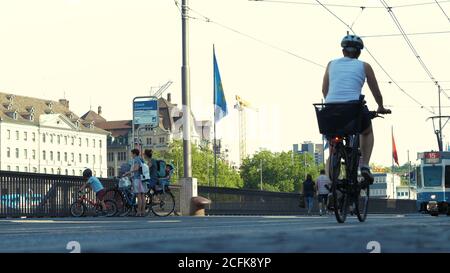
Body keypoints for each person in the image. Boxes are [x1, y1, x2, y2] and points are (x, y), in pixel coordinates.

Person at [321, 34, 391, 185]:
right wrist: (380, 106)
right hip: (353, 110)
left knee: (333, 145)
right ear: (359, 52)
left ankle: (331, 182)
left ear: (343, 51)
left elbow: (324, 90)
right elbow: (376, 92)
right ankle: (364, 165)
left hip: (330, 111)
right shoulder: (364, 66)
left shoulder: (330, 64)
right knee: (366, 132)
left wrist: (332, 102)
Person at [123, 149, 148, 217]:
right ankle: (143, 212)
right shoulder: (141, 159)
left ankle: (139, 212)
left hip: (137, 179)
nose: (131, 155)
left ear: (134, 154)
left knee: (139, 196)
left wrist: (128, 172)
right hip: (142, 179)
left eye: (131, 154)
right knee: (143, 196)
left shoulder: (136, 159)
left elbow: (136, 168)